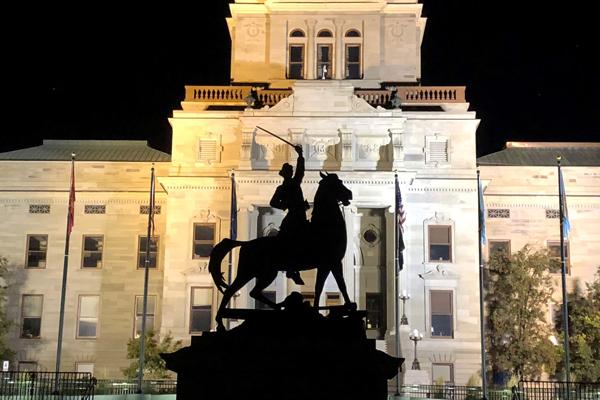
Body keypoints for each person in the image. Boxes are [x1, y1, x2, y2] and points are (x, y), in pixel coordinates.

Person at [270, 145, 309, 285]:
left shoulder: (294, 183)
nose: (292, 172)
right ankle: (292, 269)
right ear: (286, 173)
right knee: (292, 242)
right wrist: (286, 205)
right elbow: (273, 202)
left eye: (292, 170)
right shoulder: (284, 187)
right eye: (290, 171)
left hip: (300, 215)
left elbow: (301, 171)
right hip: (293, 217)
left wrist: (300, 156)